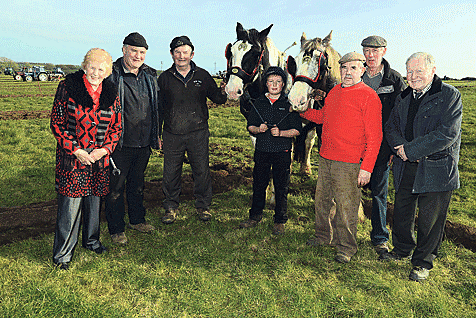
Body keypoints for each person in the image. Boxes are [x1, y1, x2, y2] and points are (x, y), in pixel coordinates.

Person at [382, 52, 462, 282]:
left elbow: (447, 134)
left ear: (432, 70)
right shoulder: (404, 96)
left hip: (435, 166)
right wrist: (400, 147)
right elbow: (391, 126)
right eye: (409, 71)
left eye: (419, 71)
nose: (413, 76)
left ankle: (422, 262)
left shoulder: (448, 95)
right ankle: (401, 248)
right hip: (406, 163)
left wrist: (411, 150)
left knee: (431, 217)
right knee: (403, 209)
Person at [301, 52, 382, 264]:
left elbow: (375, 137)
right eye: (344, 68)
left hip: (350, 162)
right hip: (326, 157)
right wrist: (303, 112)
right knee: (322, 201)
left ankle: (346, 246)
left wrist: (367, 168)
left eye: (353, 68)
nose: (348, 72)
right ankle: (322, 236)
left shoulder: (369, 96)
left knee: (347, 207)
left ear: (362, 70)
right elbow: (324, 117)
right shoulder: (334, 92)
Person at [51, 48, 122, 269]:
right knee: (70, 207)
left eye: (101, 69)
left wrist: (105, 150)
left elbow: (117, 127)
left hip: (98, 160)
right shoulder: (67, 87)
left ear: (107, 71)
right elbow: (57, 124)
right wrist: (76, 151)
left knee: (94, 202)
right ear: (85, 66)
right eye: (92, 67)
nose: (96, 72)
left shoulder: (111, 91)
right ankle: (63, 255)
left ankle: (91, 241)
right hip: (73, 160)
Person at [158, 36, 227, 224]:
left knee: (201, 170)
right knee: (171, 171)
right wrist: (158, 133)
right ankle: (171, 207)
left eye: (185, 52)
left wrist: (223, 91)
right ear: (172, 54)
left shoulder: (203, 76)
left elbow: (218, 99)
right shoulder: (164, 78)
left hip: (198, 131)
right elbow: (159, 108)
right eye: (177, 52)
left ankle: (203, 205)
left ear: (192, 54)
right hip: (172, 133)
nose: (181, 56)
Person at [105, 32, 161, 244]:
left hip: (144, 142)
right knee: (115, 188)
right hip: (118, 143)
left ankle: (137, 220)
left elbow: (157, 108)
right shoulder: (111, 74)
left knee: (137, 185)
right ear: (124, 50)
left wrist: (156, 135)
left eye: (142, 52)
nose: (138, 56)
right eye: (134, 51)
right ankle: (116, 228)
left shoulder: (149, 75)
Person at [238, 66, 302, 235]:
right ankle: (255, 216)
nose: (274, 85)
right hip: (262, 151)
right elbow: (250, 126)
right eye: (271, 81)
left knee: (282, 186)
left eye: (278, 82)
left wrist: (281, 133)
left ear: (283, 85)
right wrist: (258, 129)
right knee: (259, 184)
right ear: (266, 84)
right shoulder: (258, 102)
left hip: (282, 152)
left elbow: (297, 130)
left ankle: (280, 220)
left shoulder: (289, 104)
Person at [360, 35, 406, 255]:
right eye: (367, 51)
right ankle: (343, 232)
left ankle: (380, 238)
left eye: (375, 51)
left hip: (380, 148)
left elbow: (401, 117)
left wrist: (392, 149)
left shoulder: (394, 80)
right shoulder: (355, 76)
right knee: (348, 190)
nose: (370, 55)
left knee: (379, 193)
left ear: (384, 52)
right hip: (355, 145)